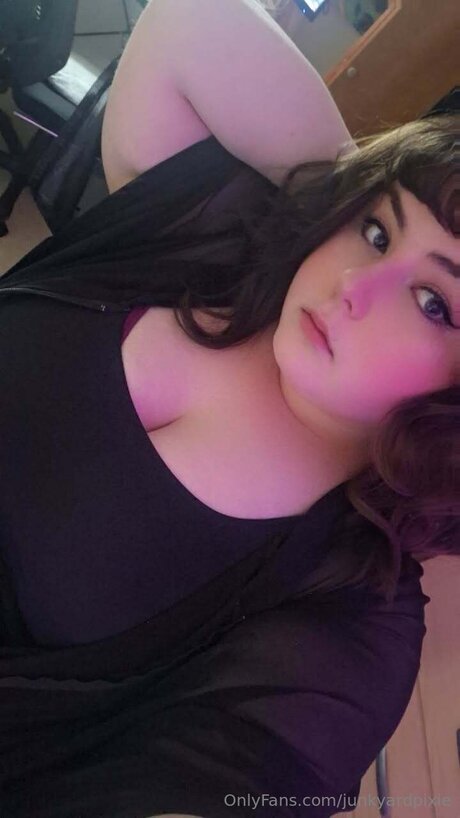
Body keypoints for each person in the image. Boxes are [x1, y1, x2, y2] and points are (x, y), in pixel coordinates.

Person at [0, 1, 457, 816]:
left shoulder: (348, 620)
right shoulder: (223, 239)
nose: (356, 286)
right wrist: (364, 185)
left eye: (433, 303)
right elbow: (191, 19)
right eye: (378, 233)